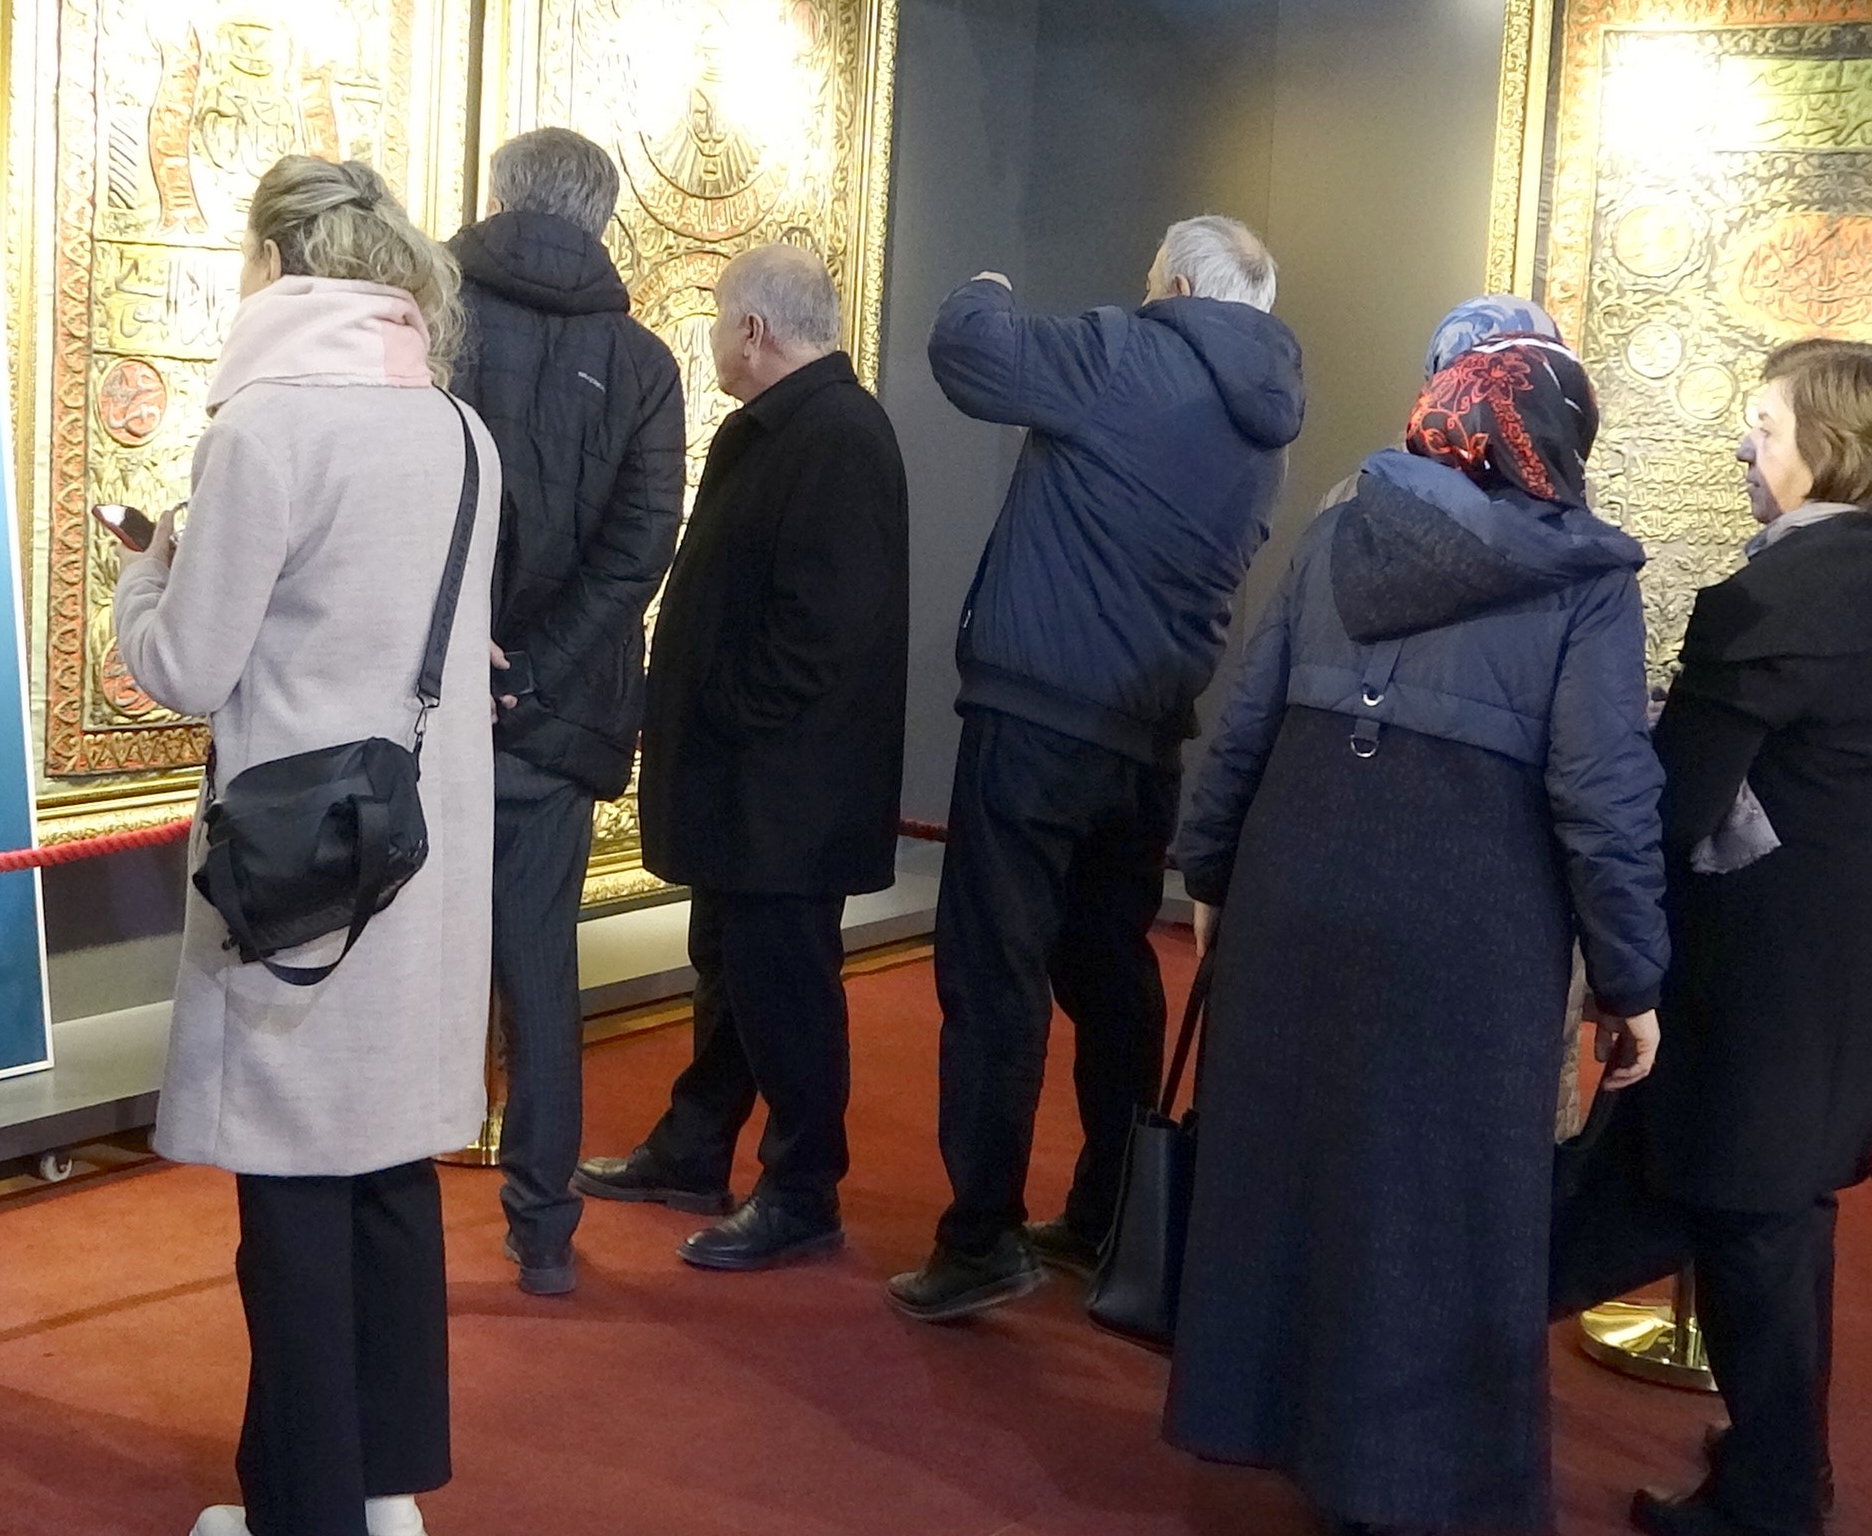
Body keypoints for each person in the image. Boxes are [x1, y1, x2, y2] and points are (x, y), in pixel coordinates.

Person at [1164, 301, 1668, 1536]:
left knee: (1307, 1170)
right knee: (1445, 1212)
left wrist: (1210, 870)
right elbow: (1602, 790)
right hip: (1470, 915)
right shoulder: (1586, 578)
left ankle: (1292, 1438)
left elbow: (1248, 714)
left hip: (1300, 878)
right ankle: (1410, 1516)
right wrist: (1631, 976)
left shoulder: (1342, 528)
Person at [112, 155, 498, 1536]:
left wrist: (145, 575)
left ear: (277, 263)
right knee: (387, 1168)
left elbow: (186, 664)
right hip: (419, 849)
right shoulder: (457, 427)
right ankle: (385, 1495)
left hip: (298, 863)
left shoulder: (264, 426)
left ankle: (307, 1531)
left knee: (288, 1185)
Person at [1549, 339, 1872, 1536]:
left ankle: (1773, 1498)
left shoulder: (1777, 599)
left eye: (1767, 424)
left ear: (1832, 448)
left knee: (1726, 1202)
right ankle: (1779, 1468)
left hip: (1771, 959)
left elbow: (1676, 803)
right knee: (1770, 1199)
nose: (1747, 445)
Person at [890, 219, 1306, 1324]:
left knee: (996, 973)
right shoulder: (1265, 424)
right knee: (1108, 966)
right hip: (1145, 735)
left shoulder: (1129, 350)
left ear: (1179, 283)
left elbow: (968, 350)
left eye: (1153, 277)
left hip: (1037, 717)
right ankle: (1108, 1211)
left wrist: (984, 276)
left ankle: (981, 1237)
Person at [576, 245, 910, 1273]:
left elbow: (822, 630)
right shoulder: (785, 427)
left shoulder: (837, 436)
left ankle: (803, 1189)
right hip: (753, 783)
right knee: (731, 968)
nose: (717, 337)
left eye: (722, 319)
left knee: (785, 988)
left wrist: (719, 711)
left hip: (786, 789)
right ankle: (694, 1145)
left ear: (755, 330)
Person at [443, 129, 686, 1297]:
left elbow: (402, 499)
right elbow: (640, 547)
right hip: (558, 712)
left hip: (423, 699)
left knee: (398, 949)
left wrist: (462, 651)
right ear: (604, 215)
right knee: (539, 966)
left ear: (501, 196)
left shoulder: (430, 321)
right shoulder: (642, 362)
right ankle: (541, 1225)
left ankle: (379, 1195)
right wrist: (533, 670)